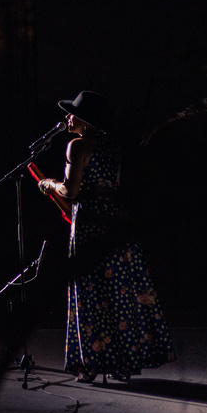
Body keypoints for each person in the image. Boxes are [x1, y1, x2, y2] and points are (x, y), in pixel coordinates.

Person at [37, 91, 175, 383]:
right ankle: (122, 363)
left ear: (84, 120)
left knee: (89, 292)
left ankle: (90, 364)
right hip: (113, 219)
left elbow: (70, 192)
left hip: (88, 222)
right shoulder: (112, 147)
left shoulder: (77, 145)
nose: (67, 117)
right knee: (118, 291)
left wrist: (49, 184)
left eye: (72, 113)